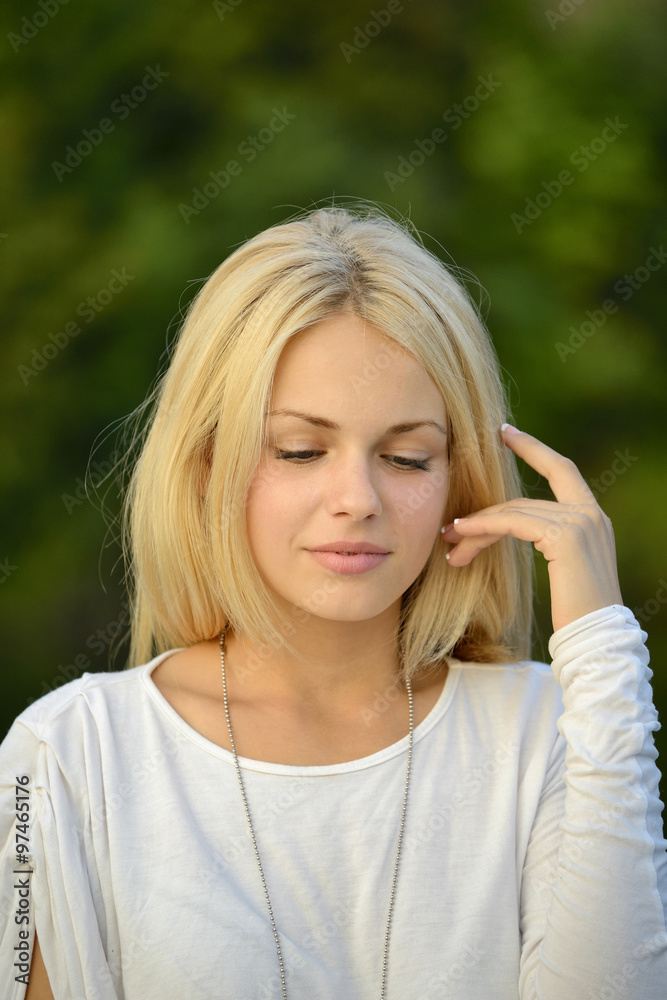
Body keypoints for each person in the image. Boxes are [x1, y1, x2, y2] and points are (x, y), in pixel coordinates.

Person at [1, 201, 666, 1000]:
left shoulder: (555, 731)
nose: (356, 497)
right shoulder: (64, 757)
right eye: (300, 450)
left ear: (458, 477)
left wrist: (602, 649)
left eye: (407, 456)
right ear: (208, 463)